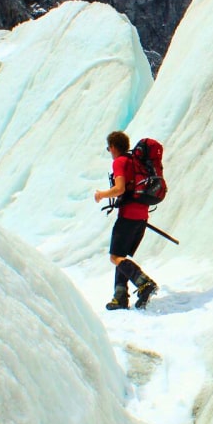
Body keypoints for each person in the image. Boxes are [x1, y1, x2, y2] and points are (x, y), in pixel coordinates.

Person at [94, 130, 160, 310]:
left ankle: (144, 282)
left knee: (115, 257)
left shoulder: (120, 162)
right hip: (142, 216)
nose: (109, 151)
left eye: (109, 148)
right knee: (122, 256)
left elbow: (119, 189)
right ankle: (120, 297)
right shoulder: (135, 161)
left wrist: (101, 194)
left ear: (114, 147)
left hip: (128, 216)